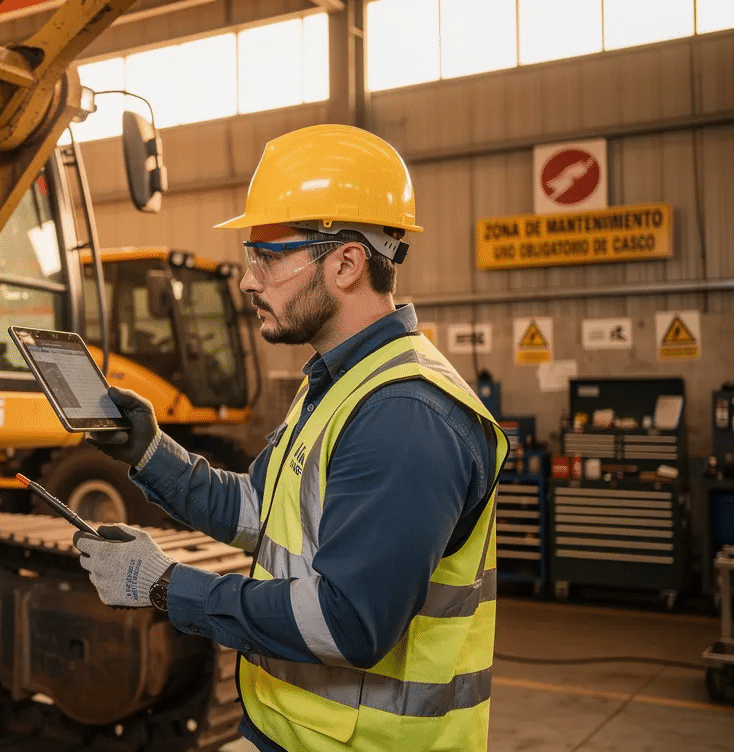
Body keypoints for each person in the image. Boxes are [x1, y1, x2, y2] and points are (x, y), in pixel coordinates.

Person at [73, 124, 508, 752]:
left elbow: (348, 623)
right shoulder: (337, 383)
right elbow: (259, 509)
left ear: (347, 262)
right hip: (294, 733)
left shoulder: (404, 417)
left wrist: (166, 585)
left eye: (267, 256)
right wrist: (149, 453)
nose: (249, 280)